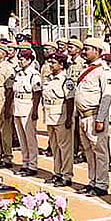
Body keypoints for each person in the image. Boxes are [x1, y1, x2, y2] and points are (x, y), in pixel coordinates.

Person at [75, 38, 111, 197]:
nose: (84, 51)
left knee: (100, 151)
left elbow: (107, 96)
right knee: (88, 152)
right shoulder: (86, 68)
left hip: (94, 115)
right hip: (83, 116)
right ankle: (92, 181)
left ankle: (101, 184)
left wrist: (100, 119)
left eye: (88, 49)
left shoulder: (103, 71)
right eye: (84, 49)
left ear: (98, 51)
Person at [42, 52, 75, 187]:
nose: (50, 65)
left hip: (61, 116)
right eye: (50, 62)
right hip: (50, 115)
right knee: (55, 147)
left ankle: (66, 175)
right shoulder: (49, 79)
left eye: (53, 62)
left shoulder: (66, 80)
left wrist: (68, 118)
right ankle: (57, 173)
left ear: (61, 65)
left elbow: (70, 100)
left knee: (65, 148)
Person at [12, 49, 42, 176]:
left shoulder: (33, 74)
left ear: (29, 60)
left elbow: (37, 93)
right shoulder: (18, 74)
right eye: (19, 59)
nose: (19, 61)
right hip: (17, 105)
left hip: (27, 106)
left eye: (22, 59)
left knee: (30, 138)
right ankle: (25, 162)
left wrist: (35, 110)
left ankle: (33, 165)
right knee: (21, 138)